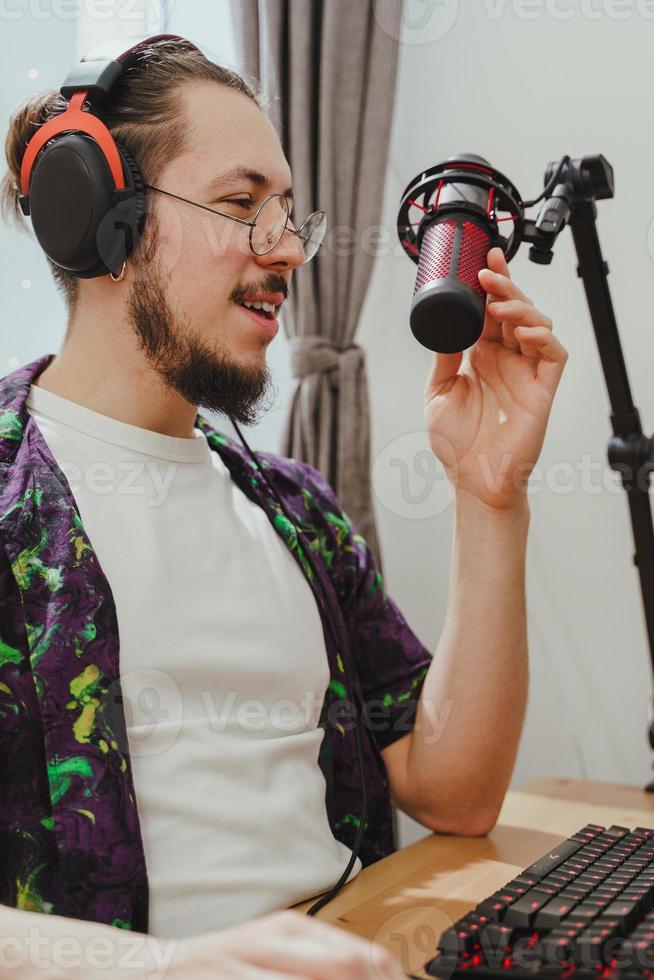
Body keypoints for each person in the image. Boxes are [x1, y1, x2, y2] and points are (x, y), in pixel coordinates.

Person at [0, 34, 568, 980]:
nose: (290, 250)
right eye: (240, 204)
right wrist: (172, 968)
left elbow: (456, 792)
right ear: (100, 216)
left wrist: (489, 494)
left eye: (291, 215)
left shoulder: (294, 509)